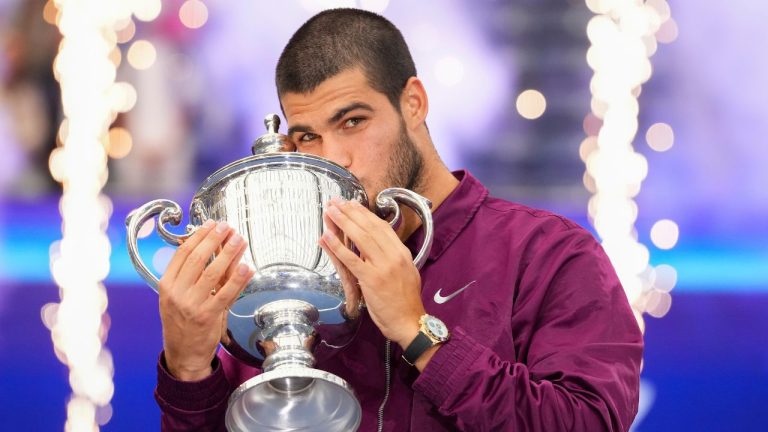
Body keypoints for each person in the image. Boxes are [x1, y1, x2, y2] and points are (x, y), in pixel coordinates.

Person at [153, 8, 643, 431]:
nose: (335, 158)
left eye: (353, 121)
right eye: (307, 137)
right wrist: (189, 370)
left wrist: (418, 333)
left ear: (413, 103)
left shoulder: (548, 254)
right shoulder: (287, 279)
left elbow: (590, 423)